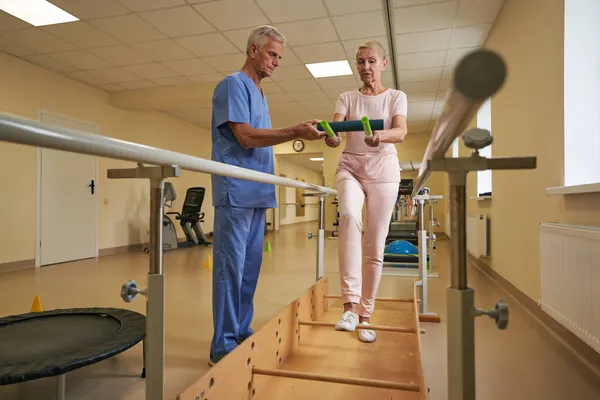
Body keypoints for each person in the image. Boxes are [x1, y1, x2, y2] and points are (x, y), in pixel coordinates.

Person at [209, 25, 325, 366]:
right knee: (230, 269)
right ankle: (222, 343)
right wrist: (294, 131)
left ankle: (240, 329)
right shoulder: (233, 84)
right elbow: (245, 137)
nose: (276, 62)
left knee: (250, 269)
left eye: (279, 57)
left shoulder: (261, 95)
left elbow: (261, 137)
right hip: (236, 191)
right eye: (272, 54)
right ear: (253, 51)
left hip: (259, 191)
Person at [325, 40, 408, 343]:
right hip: (351, 167)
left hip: (384, 169)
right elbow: (336, 131)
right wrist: (332, 139)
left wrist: (381, 136)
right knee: (348, 215)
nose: (366, 68)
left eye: (371, 61)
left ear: (384, 63)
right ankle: (348, 307)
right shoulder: (346, 97)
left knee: (374, 244)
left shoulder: (396, 97)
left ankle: (365, 315)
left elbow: (400, 131)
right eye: (360, 62)